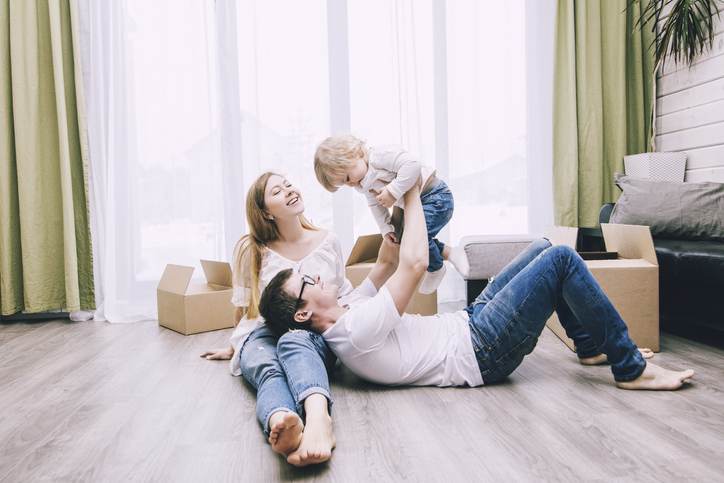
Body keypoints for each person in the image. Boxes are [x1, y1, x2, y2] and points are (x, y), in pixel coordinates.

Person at [259, 185, 695, 391]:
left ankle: (586, 343)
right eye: (307, 281)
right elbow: (411, 266)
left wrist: (380, 199)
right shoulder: (354, 332)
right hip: (482, 350)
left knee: (544, 247)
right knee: (562, 259)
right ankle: (630, 367)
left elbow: (389, 262)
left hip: (469, 324)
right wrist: (414, 195)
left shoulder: (350, 306)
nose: (317, 275)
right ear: (302, 313)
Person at [200, 172, 350, 467]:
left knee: (295, 342)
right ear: (266, 212)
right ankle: (282, 422)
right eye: (277, 191)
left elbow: (341, 293)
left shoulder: (328, 240)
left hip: (311, 331)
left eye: (289, 184)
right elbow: (244, 306)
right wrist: (234, 348)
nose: (289, 190)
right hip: (263, 330)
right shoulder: (251, 249)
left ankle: (319, 418)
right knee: (267, 366)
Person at [313, 134, 468, 293]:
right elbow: (375, 204)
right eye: (344, 184)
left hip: (436, 198)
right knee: (404, 240)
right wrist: (386, 229)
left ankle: (436, 268)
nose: (351, 184)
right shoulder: (363, 182)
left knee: (417, 238)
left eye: (347, 177)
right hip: (416, 205)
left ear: (355, 154)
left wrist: (393, 191)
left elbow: (413, 165)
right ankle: (448, 251)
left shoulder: (378, 157)